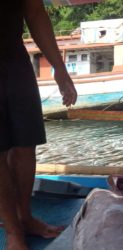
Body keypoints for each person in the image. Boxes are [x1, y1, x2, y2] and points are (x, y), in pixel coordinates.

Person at [0, 0, 77, 249]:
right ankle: (13, 231)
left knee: (26, 142)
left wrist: (60, 68)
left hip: (14, 60)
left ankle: (25, 216)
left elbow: (35, 13)